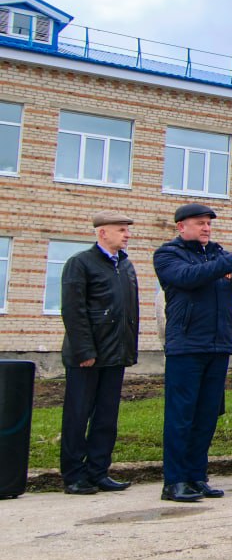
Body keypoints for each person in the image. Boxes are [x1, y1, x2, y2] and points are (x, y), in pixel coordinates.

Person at [153, 204, 232, 502]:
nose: (206, 228)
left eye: (208, 224)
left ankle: (197, 477)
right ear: (181, 227)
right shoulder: (168, 254)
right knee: (181, 416)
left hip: (218, 344)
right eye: (199, 223)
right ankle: (174, 481)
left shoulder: (217, 254)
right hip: (187, 345)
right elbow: (190, 278)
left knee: (206, 416)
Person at [59, 210, 139, 495]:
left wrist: (129, 349)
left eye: (127, 230)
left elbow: (130, 312)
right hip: (88, 355)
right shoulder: (80, 263)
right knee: (78, 416)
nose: (127, 234)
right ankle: (73, 475)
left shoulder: (126, 266)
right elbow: (73, 310)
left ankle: (98, 470)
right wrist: (84, 350)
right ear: (102, 233)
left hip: (115, 353)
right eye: (121, 229)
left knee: (106, 417)